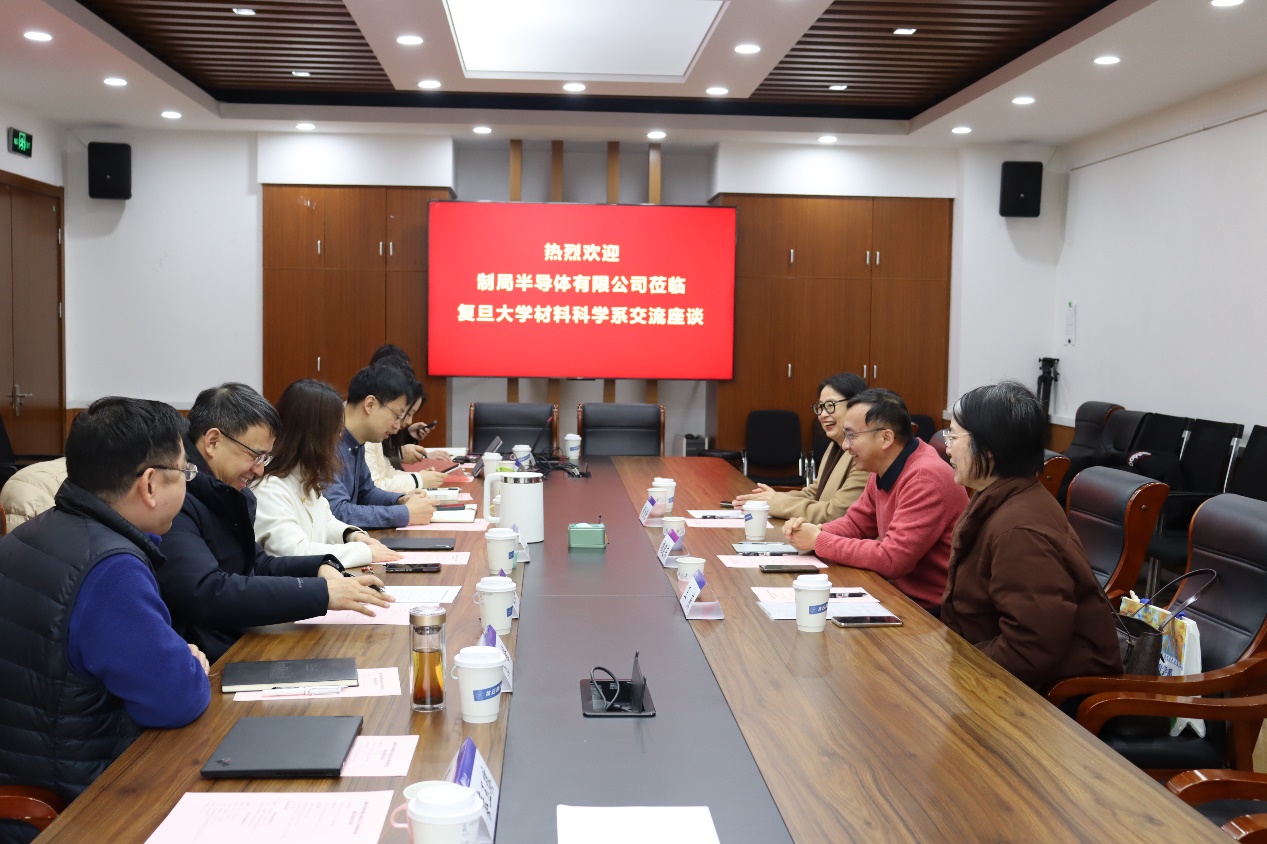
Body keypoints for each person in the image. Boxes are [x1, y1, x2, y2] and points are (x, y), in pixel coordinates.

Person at [0, 398, 210, 832]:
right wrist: (189, 663)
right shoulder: (111, 570)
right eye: (185, 472)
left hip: (27, 775)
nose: (188, 483)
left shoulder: (31, 531)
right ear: (150, 485)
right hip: (81, 803)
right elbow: (176, 699)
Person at [159, 383, 392, 663]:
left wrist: (319, 568)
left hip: (240, 640)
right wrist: (321, 593)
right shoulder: (177, 496)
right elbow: (208, 592)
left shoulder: (228, 490)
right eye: (255, 455)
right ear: (213, 442)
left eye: (265, 457)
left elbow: (257, 565)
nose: (260, 469)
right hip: (212, 658)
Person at [939, 381, 1123, 690]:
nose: (947, 447)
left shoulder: (1018, 531)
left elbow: (1029, 648)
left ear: (989, 448)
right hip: (986, 662)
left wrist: (956, 669)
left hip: (1048, 694)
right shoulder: (1002, 496)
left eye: (954, 436)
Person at [783, 389, 966, 611]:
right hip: (896, 593)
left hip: (929, 611)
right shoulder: (882, 465)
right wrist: (815, 531)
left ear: (886, 438)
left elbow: (892, 559)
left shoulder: (925, 478)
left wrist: (819, 540)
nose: (845, 445)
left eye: (852, 436)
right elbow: (856, 524)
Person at [254, 379, 402, 568]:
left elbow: (327, 522)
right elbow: (295, 553)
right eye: (335, 430)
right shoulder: (269, 489)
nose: (339, 437)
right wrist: (364, 552)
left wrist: (352, 535)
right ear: (313, 436)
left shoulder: (305, 476)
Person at [733, 373, 869, 523]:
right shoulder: (835, 446)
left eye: (830, 406)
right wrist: (768, 499)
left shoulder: (865, 455)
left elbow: (834, 514)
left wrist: (775, 502)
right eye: (820, 407)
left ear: (855, 405)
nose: (822, 415)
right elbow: (815, 493)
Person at [324, 364, 436, 528]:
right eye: (397, 416)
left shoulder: (356, 441)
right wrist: (405, 513)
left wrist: (400, 500)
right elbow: (336, 513)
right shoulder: (326, 441)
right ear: (370, 405)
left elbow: (366, 492)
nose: (397, 426)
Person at [363, 371, 450, 493]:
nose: (407, 422)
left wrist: (419, 477)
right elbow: (375, 487)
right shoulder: (368, 433)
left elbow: (387, 473)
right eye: (403, 414)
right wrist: (418, 480)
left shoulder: (375, 431)